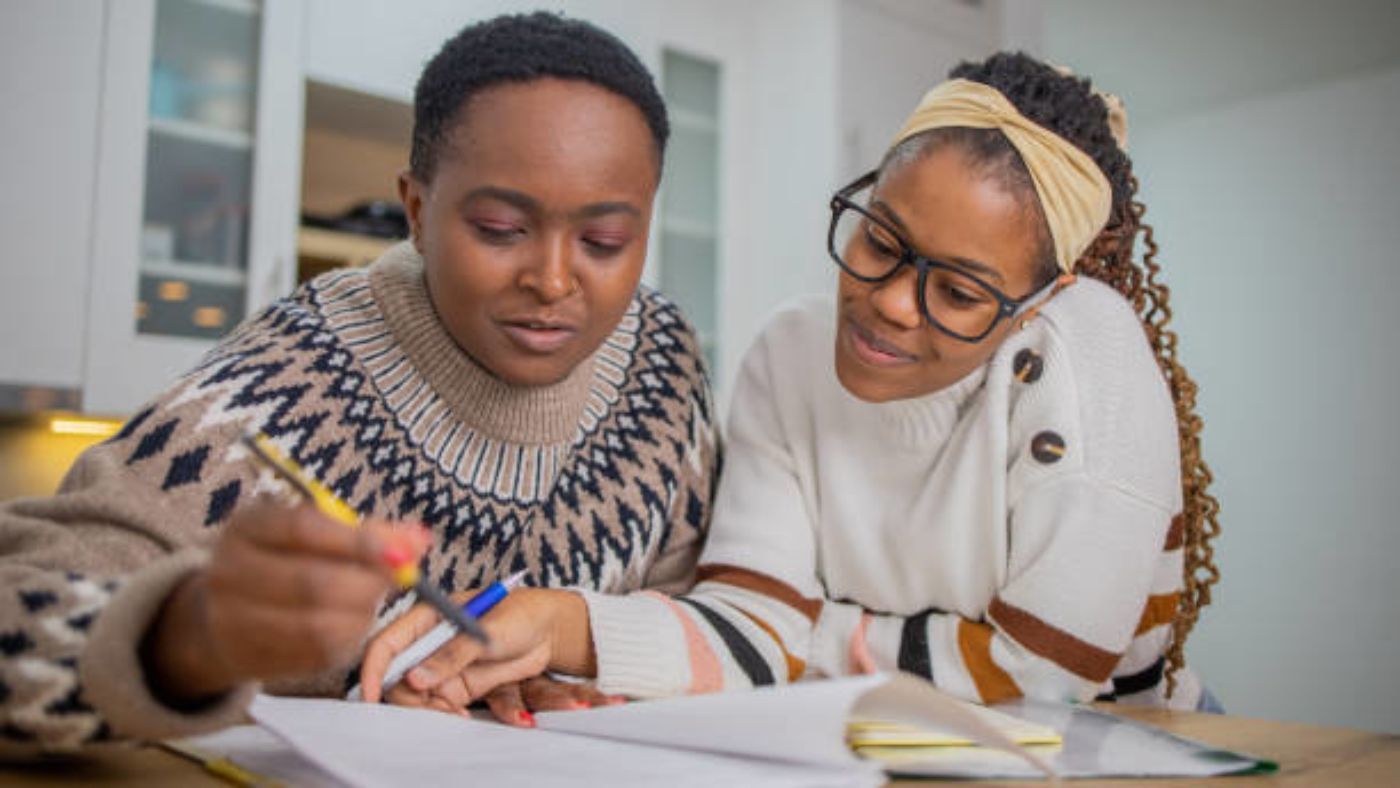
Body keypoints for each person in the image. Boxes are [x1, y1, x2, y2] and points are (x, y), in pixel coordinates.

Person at [363, 52, 1223, 718]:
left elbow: (1046, 675)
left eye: (959, 293)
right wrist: (554, 623)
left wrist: (801, 633)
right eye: (879, 240)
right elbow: (747, 621)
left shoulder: (1093, 347)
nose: (887, 305)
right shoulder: (790, 352)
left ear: (1040, 304)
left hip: (1135, 753)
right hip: (893, 745)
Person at [0, 12, 719, 755]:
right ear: (414, 209)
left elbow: (703, 621)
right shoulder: (281, 387)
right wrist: (189, 637)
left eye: (606, 241)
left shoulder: (663, 363)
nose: (553, 279)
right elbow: (18, 623)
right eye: (502, 228)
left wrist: (572, 660)